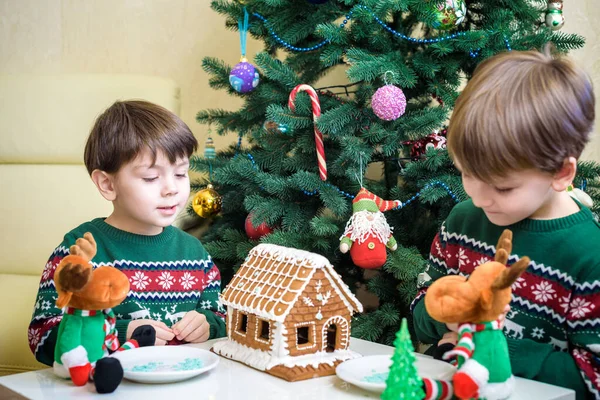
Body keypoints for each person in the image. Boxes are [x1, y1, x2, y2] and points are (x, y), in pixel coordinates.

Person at [411, 46, 599, 399]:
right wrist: (448, 316)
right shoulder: (463, 221)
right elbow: (420, 306)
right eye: (467, 174)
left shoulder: (590, 255)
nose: (480, 198)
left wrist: (496, 349)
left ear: (560, 172)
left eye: (503, 187)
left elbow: (594, 378)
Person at [28, 100, 226, 367]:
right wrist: (119, 332)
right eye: (150, 178)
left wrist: (209, 324)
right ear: (108, 184)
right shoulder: (80, 250)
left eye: (180, 173)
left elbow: (225, 318)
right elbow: (42, 335)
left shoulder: (195, 253)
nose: (171, 189)